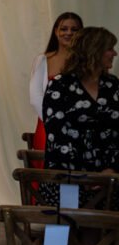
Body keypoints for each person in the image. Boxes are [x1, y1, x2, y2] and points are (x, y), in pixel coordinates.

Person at [43, 27, 119, 203]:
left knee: (109, 228)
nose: (114, 53)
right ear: (94, 50)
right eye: (110, 48)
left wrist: (112, 169)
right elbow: (56, 135)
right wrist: (83, 177)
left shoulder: (113, 85)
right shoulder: (60, 85)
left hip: (109, 178)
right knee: (60, 229)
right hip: (68, 175)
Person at [29, 12, 83, 163]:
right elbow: (35, 97)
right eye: (64, 29)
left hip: (78, 129)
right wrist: (55, 122)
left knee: (72, 176)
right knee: (51, 176)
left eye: (74, 29)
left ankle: (69, 189)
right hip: (48, 128)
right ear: (56, 31)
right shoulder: (43, 60)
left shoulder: (87, 62)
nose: (68, 33)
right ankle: (49, 188)